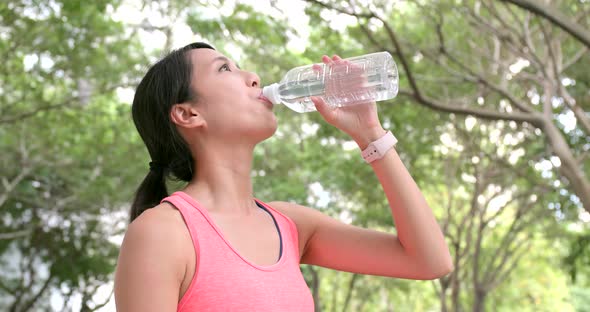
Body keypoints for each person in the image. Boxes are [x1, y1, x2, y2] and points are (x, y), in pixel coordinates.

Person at [113, 42, 453, 312]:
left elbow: (429, 260)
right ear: (188, 113)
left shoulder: (290, 225)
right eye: (225, 68)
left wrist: (370, 134)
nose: (253, 77)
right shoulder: (162, 233)